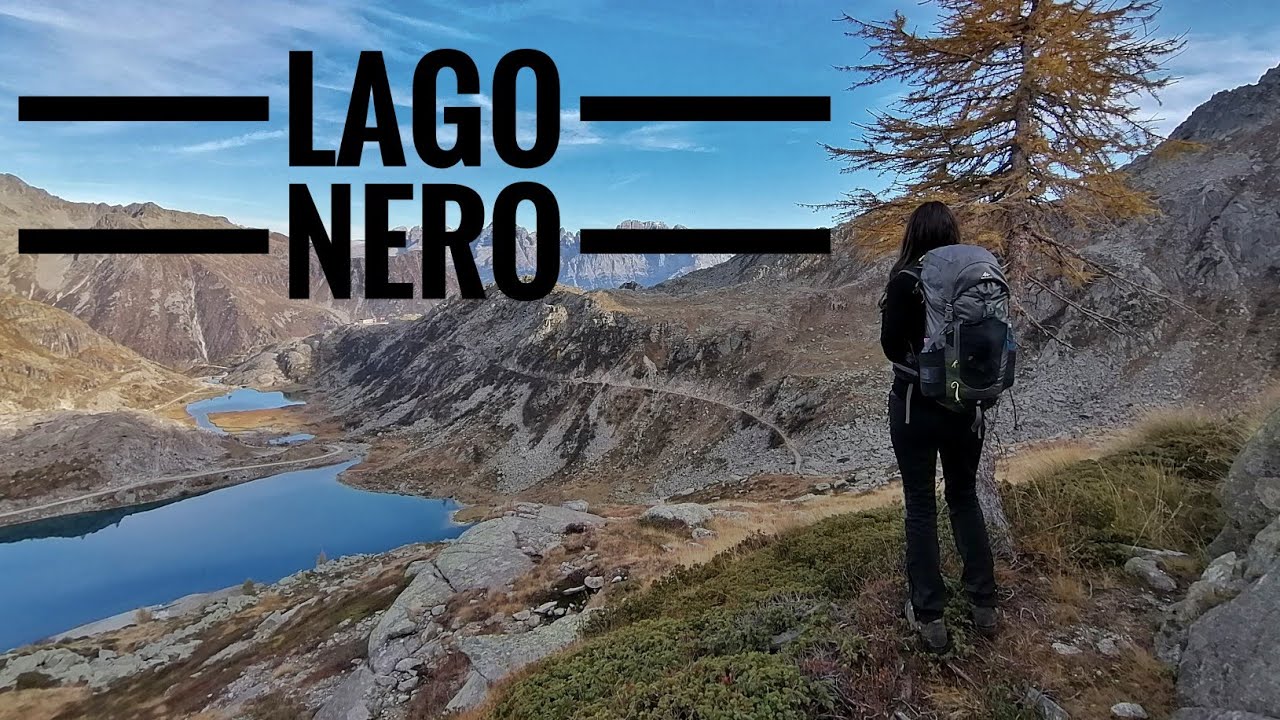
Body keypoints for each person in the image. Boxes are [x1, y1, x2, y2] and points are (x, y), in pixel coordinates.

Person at [879, 201, 999, 653]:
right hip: (967, 409)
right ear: (953, 233)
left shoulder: (908, 280)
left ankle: (930, 616)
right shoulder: (978, 276)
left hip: (916, 406)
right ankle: (984, 604)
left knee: (921, 507)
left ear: (914, 235)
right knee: (965, 499)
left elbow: (891, 347)